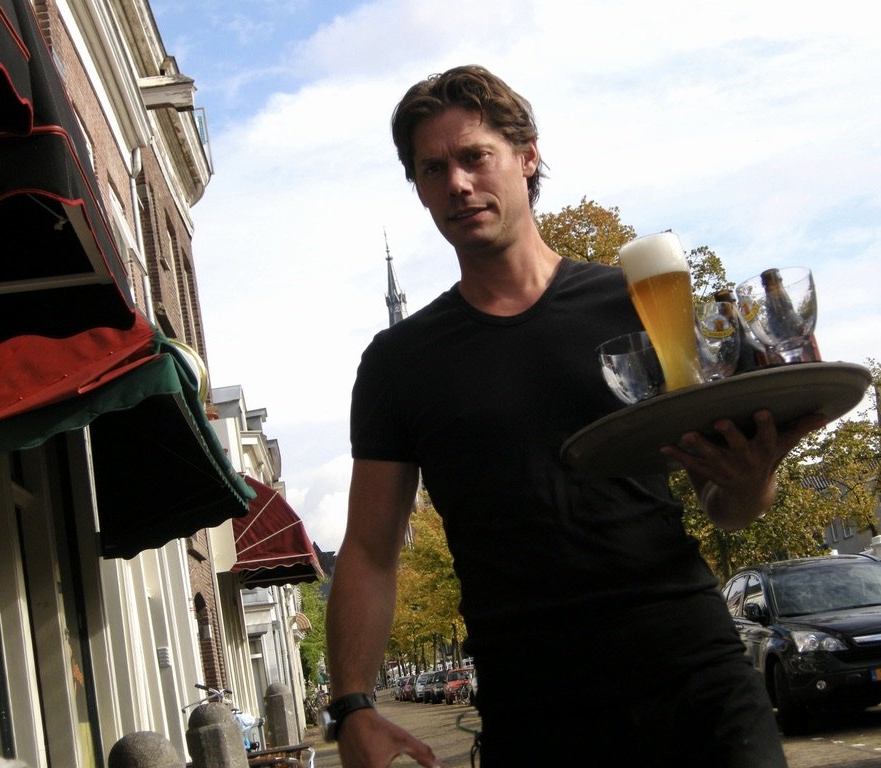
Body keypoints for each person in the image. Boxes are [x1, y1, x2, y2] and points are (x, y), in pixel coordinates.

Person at [325, 64, 827, 767]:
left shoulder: (637, 300)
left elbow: (731, 504)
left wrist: (751, 477)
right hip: (536, 709)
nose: (458, 184)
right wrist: (351, 705)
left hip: (695, 676)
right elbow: (372, 551)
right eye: (432, 169)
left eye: (475, 157)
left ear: (527, 156)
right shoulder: (398, 363)